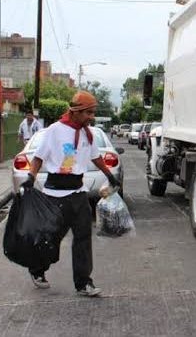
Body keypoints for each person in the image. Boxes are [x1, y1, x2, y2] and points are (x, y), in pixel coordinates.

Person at [20, 91, 121, 297]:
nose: (91, 117)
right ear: (76, 111)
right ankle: (37, 269)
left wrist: (109, 175)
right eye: (88, 113)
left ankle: (83, 283)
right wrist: (31, 177)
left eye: (93, 112)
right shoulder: (54, 131)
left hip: (78, 192)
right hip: (55, 193)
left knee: (83, 237)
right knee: (52, 238)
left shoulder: (87, 133)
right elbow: (38, 157)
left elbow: (96, 158)